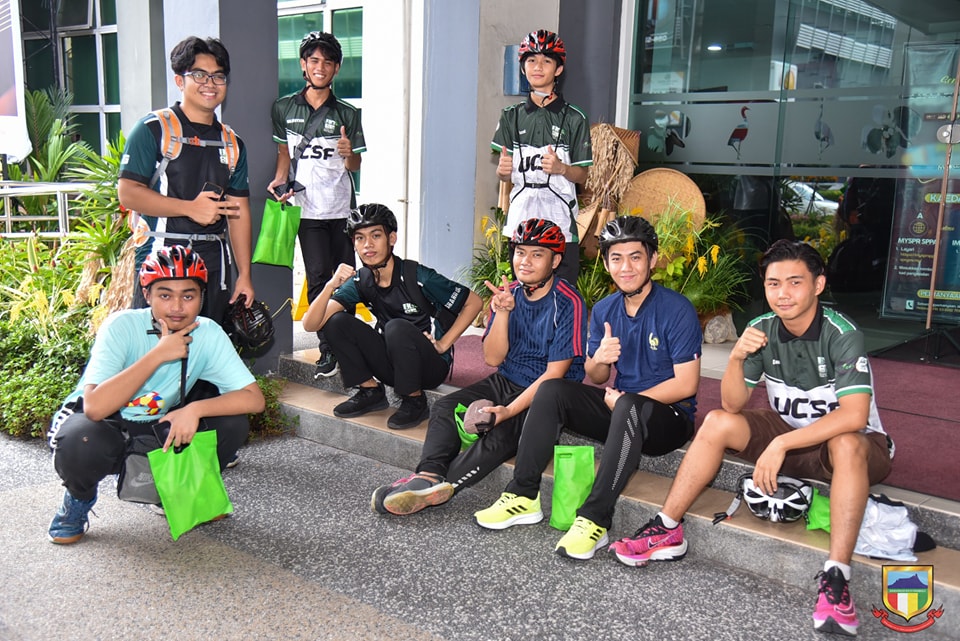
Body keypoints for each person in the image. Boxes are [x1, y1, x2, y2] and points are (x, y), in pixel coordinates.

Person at [609, 240, 893, 637]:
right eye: (773, 283)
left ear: (818, 285)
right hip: (792, 434)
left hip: (856, 446)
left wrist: (781, 444)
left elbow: (854, 416)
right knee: (717, 422)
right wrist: (737, 357)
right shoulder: (761, 329)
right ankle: (667, 527)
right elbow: (732, 403)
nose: (783, 293)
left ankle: (836, 578)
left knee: (845, 442)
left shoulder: (842, 333)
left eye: (795, 282)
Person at [475, 215, 702, 561]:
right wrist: (599, 358)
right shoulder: (606, 309)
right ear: (606, 263)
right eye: (616, 258)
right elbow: (596, 376)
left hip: (668, 419)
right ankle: (522, 495)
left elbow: (687, 384)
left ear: (653, 259)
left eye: (635, 257)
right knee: (553, 389)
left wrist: (627, 400)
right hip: (620, 408)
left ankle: (595, 519)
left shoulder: (676, 309)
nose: (625, 267)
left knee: (628, 406)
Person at [46, 246, 265, 544]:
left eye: (188, 296)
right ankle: (78, 500)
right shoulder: (121, 326)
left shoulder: (208, 333)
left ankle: (175, 492)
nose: (177, 306)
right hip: (107, 424)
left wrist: (194, 410)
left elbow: (253, 399)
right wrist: (159, 354)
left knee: (232, 423)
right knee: (79, 439)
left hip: (159, 424)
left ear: (201, 297)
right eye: (165, 295)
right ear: (147, 295)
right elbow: (95, 408)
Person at [371, 219, 588, 515]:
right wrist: (503, 313)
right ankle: (428, 476)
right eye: (520, 252)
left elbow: (555, 375)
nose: (525, 261)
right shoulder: (507, 293)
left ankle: (435, 488)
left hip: (547, 395)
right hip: (507, 379)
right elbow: (493, 359)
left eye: (537, 254)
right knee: (445, 406)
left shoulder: (568, 301)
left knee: (500, 436)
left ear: (556, 261)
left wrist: (508, 411)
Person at [301, 204, 484, 430]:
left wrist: (444, 344)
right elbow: (311, 324)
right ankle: (370, 391)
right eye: (359, 238)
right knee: (336, 322)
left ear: (392, 238)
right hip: (392, 363)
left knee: (396, 327)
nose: (367, 245)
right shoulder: (361, 280)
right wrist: (330, 285)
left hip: (429, 367)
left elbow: (474, 302)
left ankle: (415, 401)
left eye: (376, 235)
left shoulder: (418, 276)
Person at [118, 36, 254, 325]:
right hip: (161, 261)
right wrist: (190, 208)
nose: (210, 83)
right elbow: (128, 194)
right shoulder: (153, 129)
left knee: (208, 344)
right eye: (199, 75)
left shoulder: (232, 142)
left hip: (214, 266)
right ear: (180, 81)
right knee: (156, 346)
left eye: (218, 76)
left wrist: (244, 274)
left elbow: (238, 211)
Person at [269, 31, 365, 378]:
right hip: (307, 211)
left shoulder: (348, 113)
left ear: (336, 68)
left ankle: (347, 343)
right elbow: (284, 154)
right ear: (303, 65)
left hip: (341, 210)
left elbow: (355, 165)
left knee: (346, 278)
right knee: (318, 277)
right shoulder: (283, 108)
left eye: (327, 61)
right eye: (314, 60)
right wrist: (280, 180)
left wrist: (348, 153)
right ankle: (328, 347)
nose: (320, 67)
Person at [493, 29, 592, 287]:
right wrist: (502, 171)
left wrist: (562, 169)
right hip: (521, 217)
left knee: (563, 291)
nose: (538, 67)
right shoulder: (510, 116)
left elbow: (582, 174)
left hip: (560, 216)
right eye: (531, 60)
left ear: (558, 69)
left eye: (546, 61)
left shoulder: (575, 117)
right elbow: (504, 174)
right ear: (523, 67)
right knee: (522, 290)